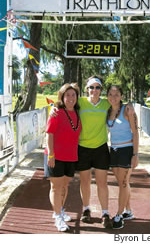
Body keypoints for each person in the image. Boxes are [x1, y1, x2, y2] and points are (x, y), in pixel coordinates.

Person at [50, 76, 112, 229]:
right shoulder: (80, 103)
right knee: (84, 182)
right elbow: (63, 101)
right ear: (86, 89)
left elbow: (119, 104)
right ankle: (86, 209)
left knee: (102, 183)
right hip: (82, 149)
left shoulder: (106, 103)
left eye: (98, 87)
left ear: (101, 90)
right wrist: (53, 107)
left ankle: (105, 213)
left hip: (101, 148)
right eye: (92, 87)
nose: (94, 90)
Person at [46, 83, 81, 232]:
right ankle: (57, 216)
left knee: (65, 186)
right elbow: (49, 134)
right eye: (67, 95)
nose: (71, 98)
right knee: (56, 186)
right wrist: (51, 155)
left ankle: (60, 210)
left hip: (71, 156)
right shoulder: (56, 112)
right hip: (56, 156)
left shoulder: (78, 112)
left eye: (73, 95)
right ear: (62, 96)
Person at [106, 85, 139, 229]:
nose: (113, 97)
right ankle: (129, 210)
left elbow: (135, 133)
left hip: (127, 150)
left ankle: (119, 214)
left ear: (121, 96)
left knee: (124, 183)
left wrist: (135, 155)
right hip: (113, 150)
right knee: (122, 183)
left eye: (117, 94)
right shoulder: (107, 111)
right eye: (111, 94)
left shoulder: (127, 110)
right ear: (107, 96)